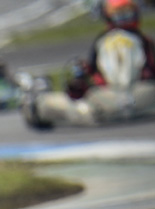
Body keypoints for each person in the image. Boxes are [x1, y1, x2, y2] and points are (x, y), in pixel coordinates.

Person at [24, 0, 155, 127]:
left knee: (81, 109)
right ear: (109, 17)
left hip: (134, 92)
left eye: (127, 14)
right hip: (111, 95)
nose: (124, 19)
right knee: (78, 103)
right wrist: (79, 82)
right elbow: (88, 76)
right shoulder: (103, 41)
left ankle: (41, 104)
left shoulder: (144, 41)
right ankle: (39, 104)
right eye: (119, 15)